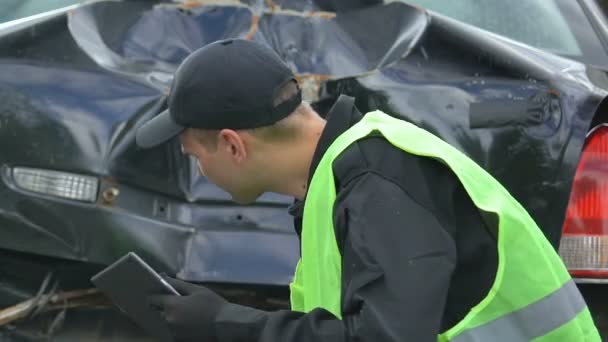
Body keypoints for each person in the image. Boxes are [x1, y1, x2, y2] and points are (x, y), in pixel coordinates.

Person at [136, 39, 600, 342]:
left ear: (233, 145)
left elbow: (388, 337)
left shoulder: (380, 178)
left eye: (195, 155)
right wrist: (217, 315)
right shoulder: (342, 174)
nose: (198, 168)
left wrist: (224, 325)